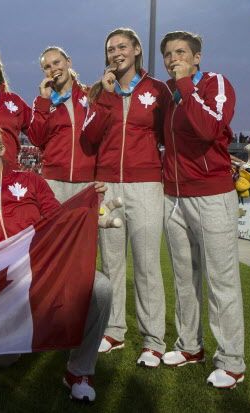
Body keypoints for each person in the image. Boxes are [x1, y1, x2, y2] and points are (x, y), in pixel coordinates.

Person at [0, 124, 112, 402]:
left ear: (1, 149)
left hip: (40, 269)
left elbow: (57, 218)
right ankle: (22, 334)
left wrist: (88, 203)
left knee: (100, 288)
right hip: (2, 283)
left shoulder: (30, 181)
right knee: (2, 361)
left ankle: (78, 371)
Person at [160, 31, 245, 389]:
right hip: (173, 197)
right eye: (167, 54)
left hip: (212, 196)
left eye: (180, 52)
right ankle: (190, 346)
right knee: (184, 279)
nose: (172, 58)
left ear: (197, 58)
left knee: (221, 281)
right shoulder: (169, 93)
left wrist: (185, 84)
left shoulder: (215, 83)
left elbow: (210, 128)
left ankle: (231, 362)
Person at [81, 28, 170, 367]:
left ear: (135, 49)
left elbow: (164, 134)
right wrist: (103, 96)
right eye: (110, 49)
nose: (116, 52)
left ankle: (153, 341)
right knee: (112, 264)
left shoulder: (157, 90)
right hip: (108, 187)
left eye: (121, 46)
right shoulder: (98, 92)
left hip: (146, 185)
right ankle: (114, 331)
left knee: (147, 265)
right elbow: (89, 138)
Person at [28, 46, 97, 202]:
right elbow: (36, 139)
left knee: (86, 227)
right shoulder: (44, 102)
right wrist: (44, 102)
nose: (53, 69)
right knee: (56, 227)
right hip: (54, 183)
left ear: (68, 62)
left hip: (86, 182)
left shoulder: (91, 95)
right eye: (47, 67)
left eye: (57, 62)